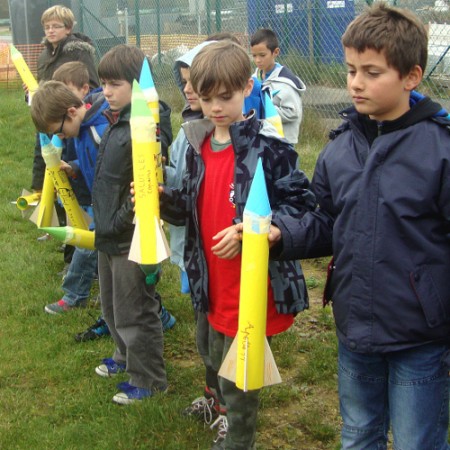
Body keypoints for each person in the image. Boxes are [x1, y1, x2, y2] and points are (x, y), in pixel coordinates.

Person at [268, 3, 450, 449]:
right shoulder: (339, 149)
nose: (355, 83)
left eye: (371, 72)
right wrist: (281, 234)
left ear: (411, 77)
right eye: (351, 69)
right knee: (359, 432)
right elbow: (325, 220)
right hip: (355, 327)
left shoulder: (440, 150)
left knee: (416, 439)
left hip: (420, 336)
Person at [159, 40, 314, 449]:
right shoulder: (197, 148)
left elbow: (301, 206)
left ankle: (238, 439)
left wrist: (257, 232)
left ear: (247, 87)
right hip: (208, 282)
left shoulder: (269, 149)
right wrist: (161, 199)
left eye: (224, 97)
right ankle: (217, 405)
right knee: (209, 354)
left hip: (246, 290)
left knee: (240, 379)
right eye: (206, 97)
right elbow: (189, 211)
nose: (214, 108)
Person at [92, 44, 170, 404]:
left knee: (134, 311)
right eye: (103, 83)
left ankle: (149, 378)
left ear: (137, 85)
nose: (106, 91)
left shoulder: (147, 122)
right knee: (111, 307)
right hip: (107, 235)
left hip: (129, 238)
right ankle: (124, 358)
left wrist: (122, 219)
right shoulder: (114, 122)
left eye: (115, 84)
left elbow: (145, 180)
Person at [250, 28, 306, 144]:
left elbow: (293, 112)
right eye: (254, 56)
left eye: (262, 55)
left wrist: (264, 110)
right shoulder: (254, 78)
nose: (258, 60)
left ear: (275, 52)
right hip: (262, 138)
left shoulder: (285, 82)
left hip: (283, 142)